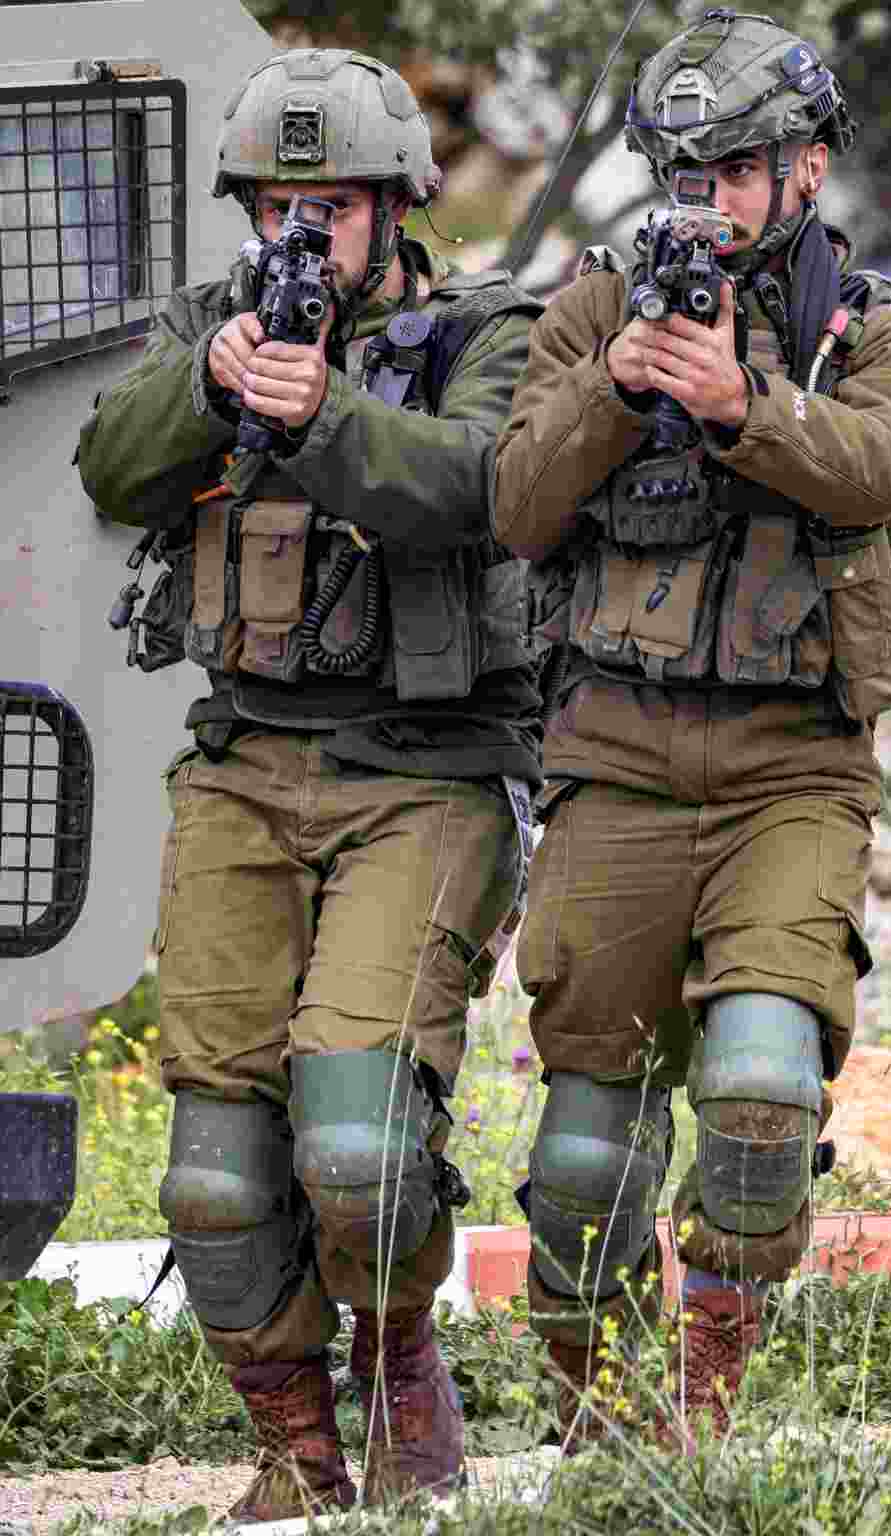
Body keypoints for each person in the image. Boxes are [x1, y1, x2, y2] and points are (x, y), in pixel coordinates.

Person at [78, 48, 543, 1523]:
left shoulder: (487, 329)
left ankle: (398, 1352)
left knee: (358, 1141)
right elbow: (110, 468)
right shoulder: (214, 331)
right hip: (244, 766)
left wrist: (322, 409)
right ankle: (294, 1448)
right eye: (276, 206)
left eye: (328, 206)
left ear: (394, 203)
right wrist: (215, 387)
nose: (301, 235)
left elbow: (475, 486)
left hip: (427, 774)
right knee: (214, 1174)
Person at [494, 8, 891, 1452]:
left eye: (737, 171)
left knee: (759, 1093)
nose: (705, 202)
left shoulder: (869, 324)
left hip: (793, 770)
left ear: (806, 171)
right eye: (682, 174)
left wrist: (749, 407)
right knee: (583, 1156)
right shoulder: (590, 311)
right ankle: (599, 1412)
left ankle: (702, 1390)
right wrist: (616, 389)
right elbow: (514, 507)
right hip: (617, 760)